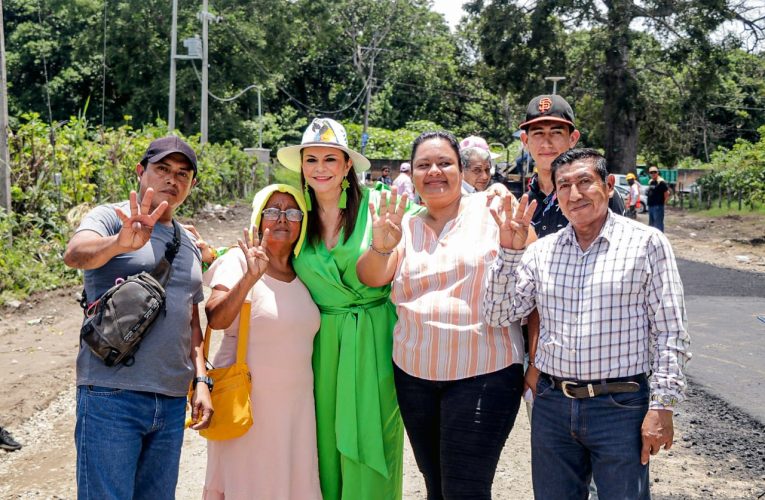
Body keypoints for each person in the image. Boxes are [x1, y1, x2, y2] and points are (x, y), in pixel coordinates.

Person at [484, 148, 691, 499]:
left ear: (608, 186)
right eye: (564, 186)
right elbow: (499, 314)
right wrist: (508, 253)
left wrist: (662, 406)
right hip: (553, 405)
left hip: (620, 407)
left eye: (585, 182)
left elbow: (670, 330)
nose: (575, 194)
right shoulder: (541, 251)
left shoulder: (646, 244)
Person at [357, 131, 530, 499]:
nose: (434, 171)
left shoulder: (492, 212)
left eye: (444, 163)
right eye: (424, 165)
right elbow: (372, 277)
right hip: (415, 377)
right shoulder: (403, 224)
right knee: (435, 485)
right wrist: (379, 245)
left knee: (465, 489)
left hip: (484, 373)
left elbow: (534, 278)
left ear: (461, 170)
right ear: (413, 174)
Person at [63, 136, 213, 499]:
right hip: (111, 394)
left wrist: (202, 380)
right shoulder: (112, 217)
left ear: (191, 185)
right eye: (162, 169)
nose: (171, 180)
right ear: (141, 171)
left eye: (182, 174)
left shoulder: (188, 241)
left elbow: (190, 319)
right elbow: (75, 254)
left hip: (172, 399)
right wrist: (119, 244)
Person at [276, 117, 418, 500]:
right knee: (322, 440)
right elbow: (267, 251)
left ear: (346, 166)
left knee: (375, 438)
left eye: (330, 159)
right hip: (323, 343)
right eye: (311, 160)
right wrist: (212, 254)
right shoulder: (296, 215)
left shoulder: (379, 206)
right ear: (302, 167)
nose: (320, 169)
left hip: (372, 338)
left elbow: (430, 227)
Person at [202, 184, 321, 500]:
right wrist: (250, 278)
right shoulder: (239, 261)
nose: (282, 218)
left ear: (303, 222)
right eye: (273, 211)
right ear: (258, 218)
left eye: (292, 212)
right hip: (249, 410)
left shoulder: (305, 273)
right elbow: (216, 317)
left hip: (296, 412)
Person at [520, 94, 625, 237]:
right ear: (525, 140)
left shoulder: (598, 194)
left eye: (556, 133)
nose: (546, 143)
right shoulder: (522, 204)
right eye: (538, 133)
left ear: (573, 138)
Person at [647, 166, 670, 232]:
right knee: (651, 225)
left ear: (657, 173)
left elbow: (667, 193)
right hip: (651, 206)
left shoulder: (661, 182)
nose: (653, 174)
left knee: (658, 225)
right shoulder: (651, 182)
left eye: (655, 172)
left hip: (658, 206)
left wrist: (663, 203)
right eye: (651, 172)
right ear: (649, 173)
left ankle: (660, 240)